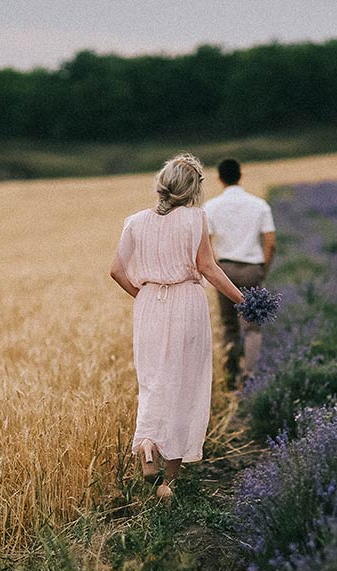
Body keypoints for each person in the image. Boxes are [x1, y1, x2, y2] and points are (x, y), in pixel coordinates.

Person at [109, 153, 245, 501]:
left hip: (149, 306)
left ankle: (148, 445)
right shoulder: (195, 218)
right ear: (193, 189)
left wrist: (143, 295)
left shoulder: (135, 222)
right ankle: (169, 481)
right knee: (184, 384)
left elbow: (116, 270)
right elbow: (208, 267)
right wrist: (243, 299)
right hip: (186, 304)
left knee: (153, 380)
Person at [203, 159, 276, 389]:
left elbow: (204, 243)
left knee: (229, 325)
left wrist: (214, 269)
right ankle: (249, 376)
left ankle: (230, 375)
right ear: (241, 175)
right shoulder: (259, 205)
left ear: (220, 178)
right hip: (252, 269)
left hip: (224, 270)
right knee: (253, 327)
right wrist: (262, 270)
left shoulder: (211, 207)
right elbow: (270, 243)